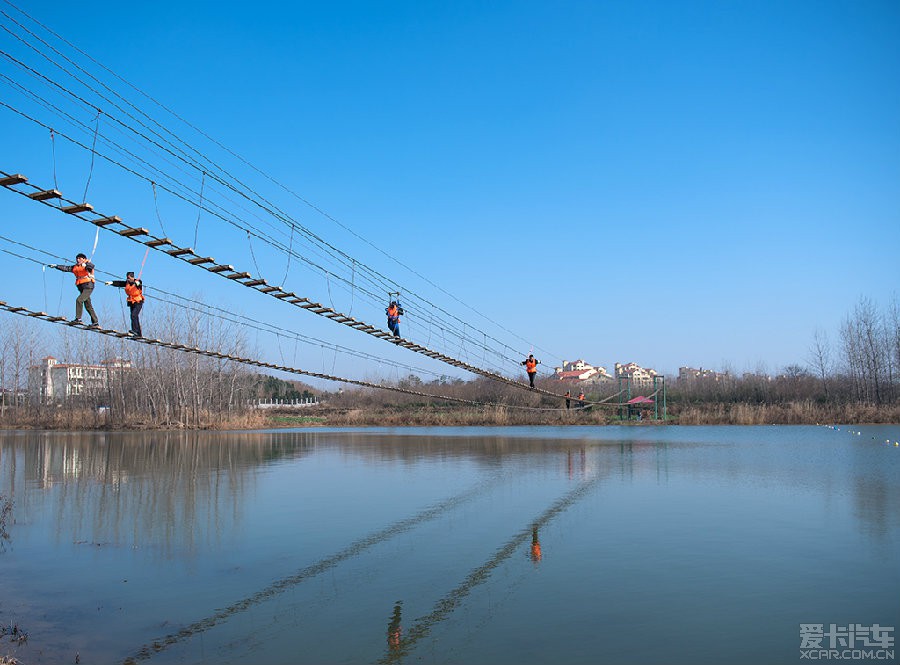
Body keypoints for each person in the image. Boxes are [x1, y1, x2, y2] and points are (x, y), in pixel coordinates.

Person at [49, 253, 99, 328]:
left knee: (79, 300)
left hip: (88, 286)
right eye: (77, 258)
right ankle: (95, 322)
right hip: (81, 287)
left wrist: (86, 264)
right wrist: (56, 266)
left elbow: (91, 267)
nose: (78, 260)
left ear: (84, 259)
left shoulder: (87, 265)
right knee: (88, 305)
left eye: (80, 258)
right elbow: (67, 268)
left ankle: (78, 318)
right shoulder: (75, 267)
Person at [105, 272, 144, 336]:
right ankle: (138, 333)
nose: (128, 279)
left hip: (138, 301)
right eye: (127, 278)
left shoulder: (138, 281)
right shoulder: (127, 283)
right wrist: (111, 282)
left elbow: (139, 284)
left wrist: (138, 283)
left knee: (134, 315)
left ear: (132, 277)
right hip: (131, 302)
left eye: (129, 278)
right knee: (134, 316)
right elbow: (119, 283)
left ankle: (135, 331)